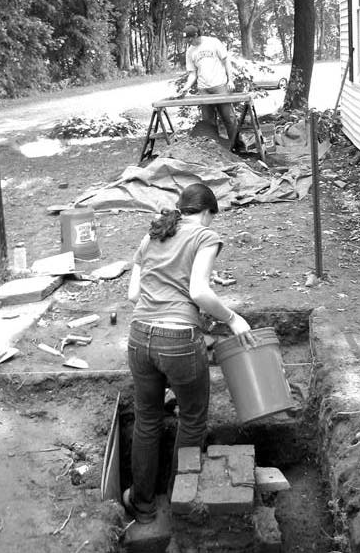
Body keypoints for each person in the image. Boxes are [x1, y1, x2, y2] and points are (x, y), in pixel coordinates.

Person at [123, 182, 254, 524]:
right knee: (192, 419)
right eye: (212, 216)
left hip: (138, 337)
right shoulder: (205, 237)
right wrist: (232, 318)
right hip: (179, 340)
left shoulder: (152, 235)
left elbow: (134, 295)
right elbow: (199, 291)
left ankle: (143, 505)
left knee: (147, 419)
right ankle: (178, 498)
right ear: (208, 212)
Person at [181, 23, 243, 150]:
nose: (188, 41)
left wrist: (230, 80)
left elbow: (226, 61)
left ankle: (236, 146)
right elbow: (192, 74)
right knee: (208, 122)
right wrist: (185, 88)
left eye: (189, 38)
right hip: (203, 89)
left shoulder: (213, 42)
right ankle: (214, 150)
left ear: (196, 35)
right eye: (186, 39)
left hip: (220, 85)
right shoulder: (190, 52)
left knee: (229, 118)